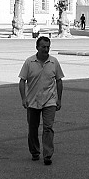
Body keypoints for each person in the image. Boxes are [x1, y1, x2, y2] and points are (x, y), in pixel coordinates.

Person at [18, 36, 65, 165]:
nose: (46, 49)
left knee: (48, 128)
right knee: (33, 128)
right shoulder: (29, 62)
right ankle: (35, 152)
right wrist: (23, 98)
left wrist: (59, 99)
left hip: (49, 101)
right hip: (33, 101)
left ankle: (48, 155)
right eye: (43, 47)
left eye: (48, 47)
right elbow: (22, 81)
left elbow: (59, 81)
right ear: (37, 47)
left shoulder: (54, 62)